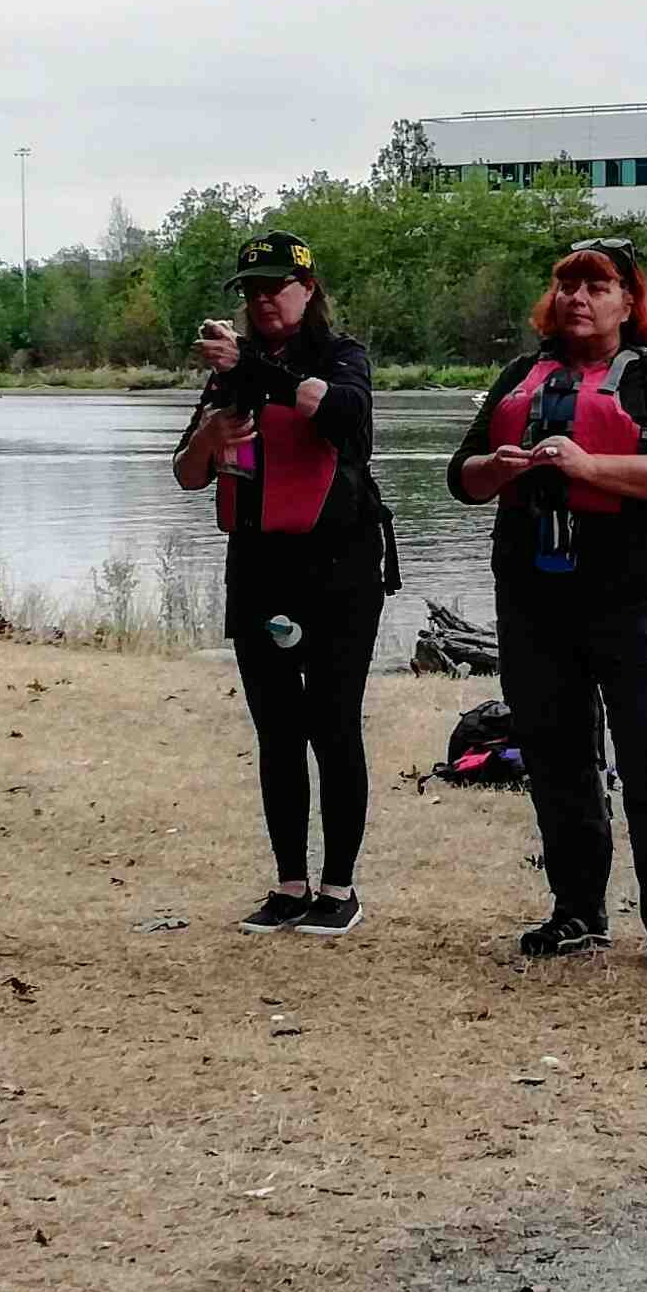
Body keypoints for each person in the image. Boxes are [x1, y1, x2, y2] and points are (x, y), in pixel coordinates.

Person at [448, 239, 647, 976]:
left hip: (638, 595)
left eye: (597, 286)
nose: (577, 298)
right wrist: (492, 470)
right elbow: (458, 476)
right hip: (537, 594)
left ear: (630, 301)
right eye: (567, 285)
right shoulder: (519, 375)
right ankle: (577, 911)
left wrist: (590, 466)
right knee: (557, 755)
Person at [172, 231, 393, 938]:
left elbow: (347, 418)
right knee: (277, 731)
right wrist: (210, 433)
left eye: (277, 286)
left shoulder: (342, 356)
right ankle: (289, 883)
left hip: (339, 566)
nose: (263, 299)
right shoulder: (226, 373)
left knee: (333, 725)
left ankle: (340, 887)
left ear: (308, 289)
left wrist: (255, 369)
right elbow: (186, 471)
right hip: (259, 565)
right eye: (251, 290)